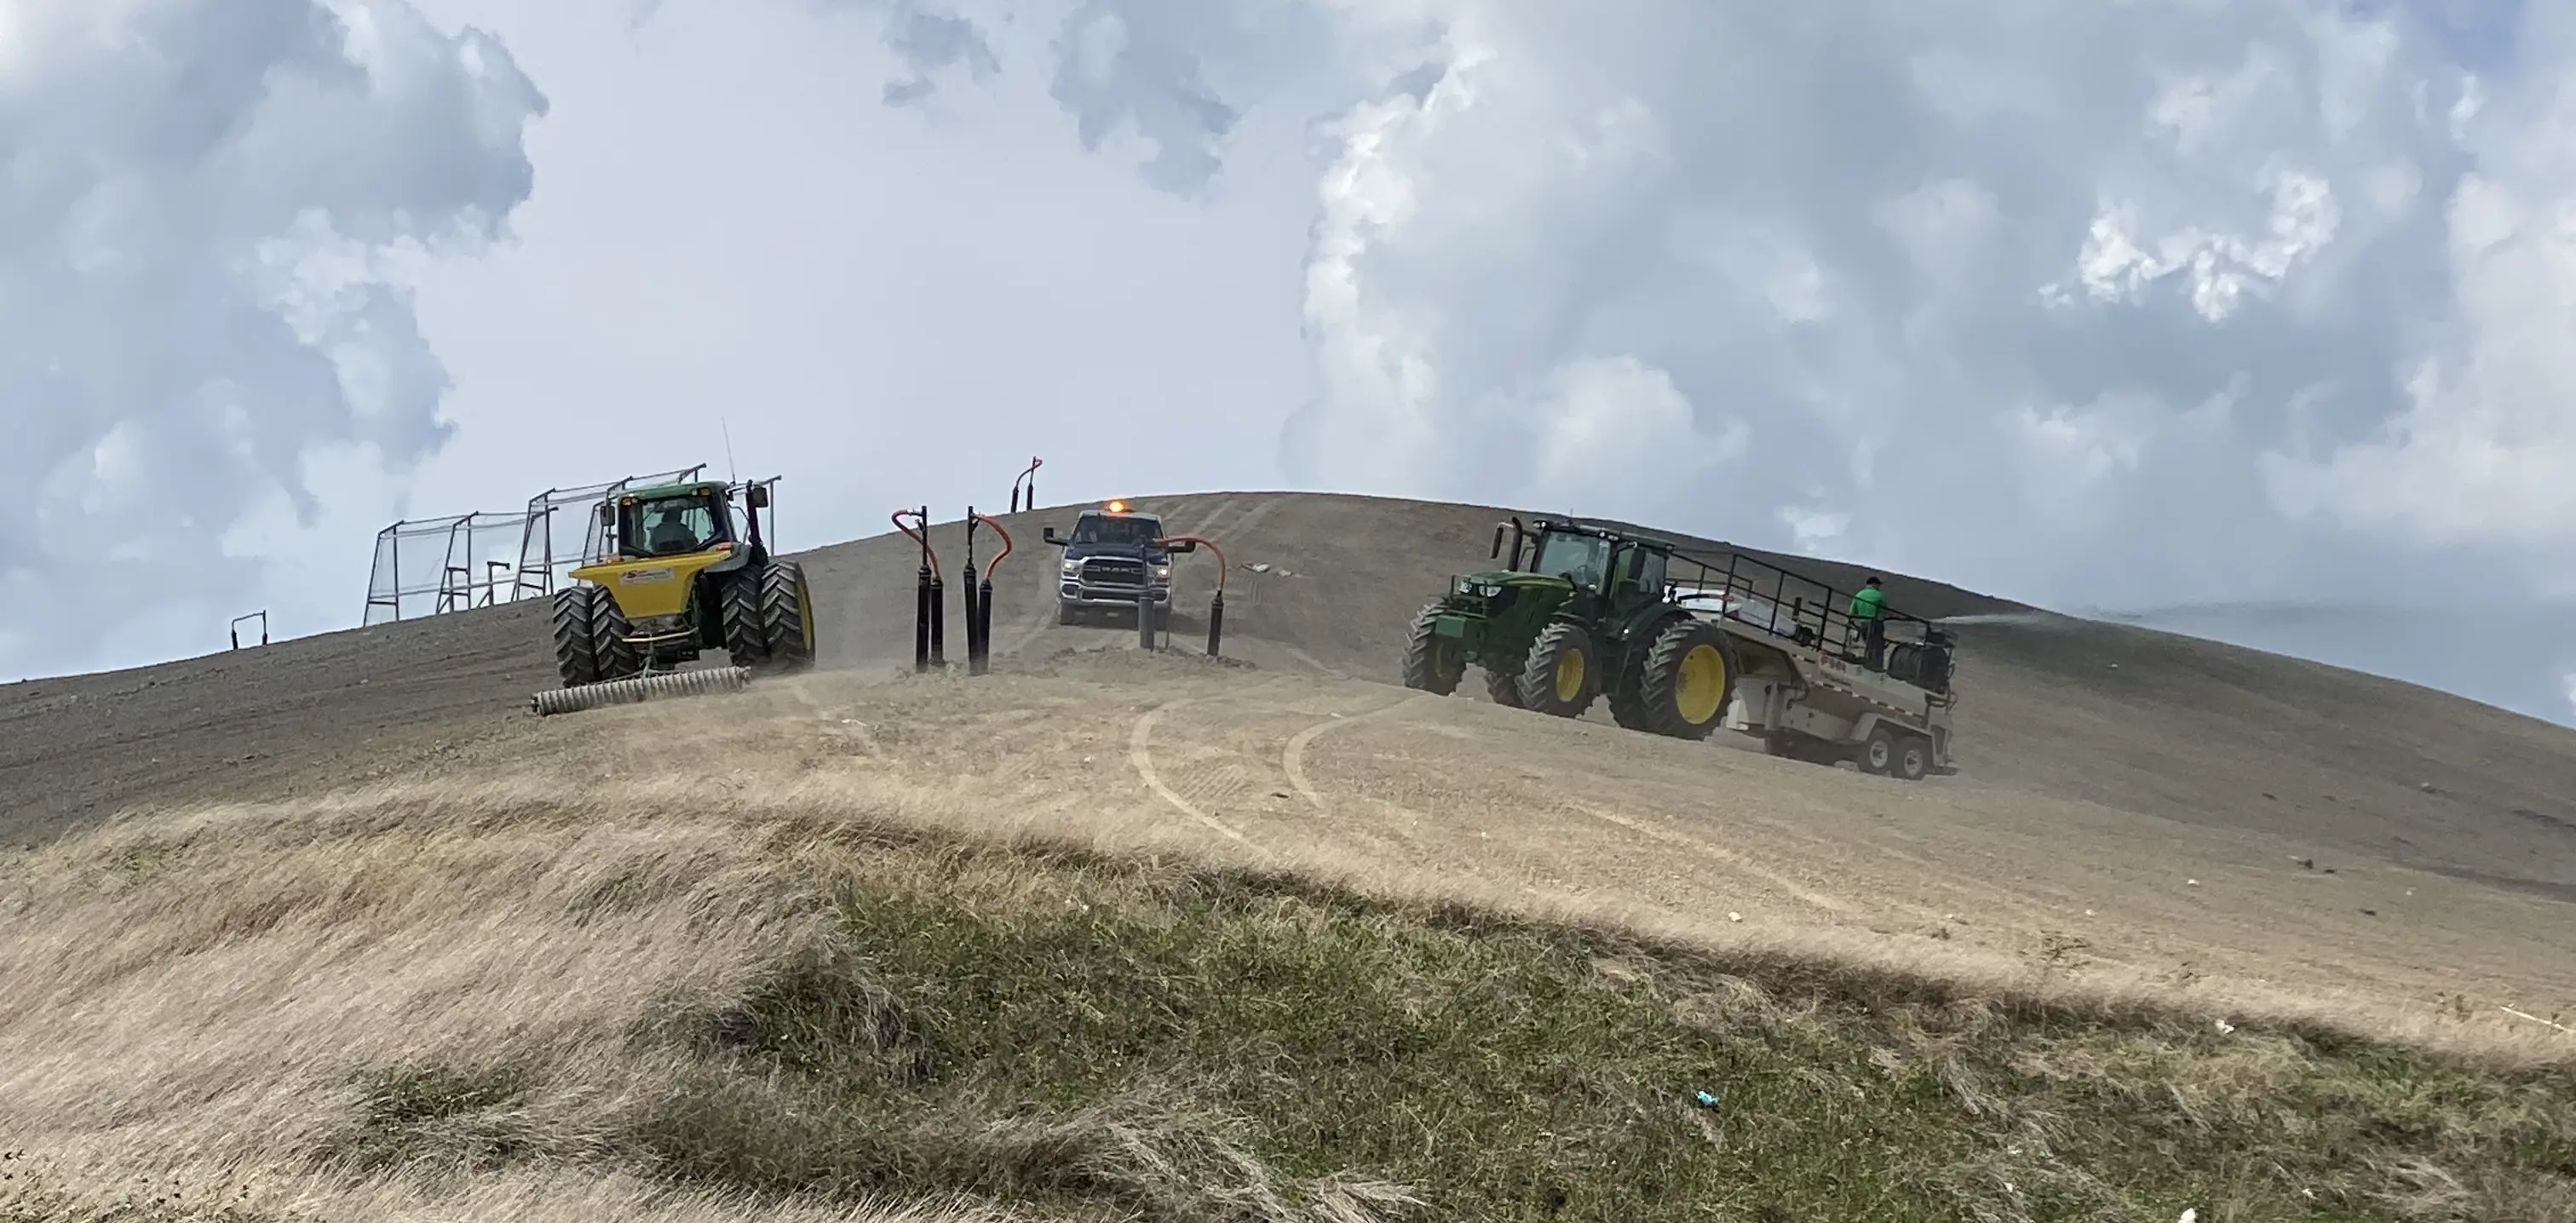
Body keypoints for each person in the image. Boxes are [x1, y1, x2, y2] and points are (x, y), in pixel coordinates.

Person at [1849, 576, 1888, 670]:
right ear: (1875, 584)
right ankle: (1875, 666)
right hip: (1876, 623)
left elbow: (1852, 612)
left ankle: (1867, 662)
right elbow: (1884, 611)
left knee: (1868, 643)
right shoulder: (1879, 595)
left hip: (1863, 624)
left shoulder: (1859, 594)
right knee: (1877, 646)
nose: (1879, 587)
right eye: (1878, 585)